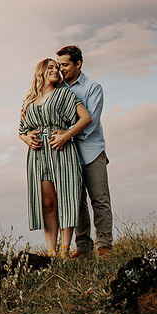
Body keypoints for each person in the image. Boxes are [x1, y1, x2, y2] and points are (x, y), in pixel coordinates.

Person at [19, 58, 91, 256]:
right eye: (50, 67)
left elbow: (86, 118)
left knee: (66, 198)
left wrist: (67, 134)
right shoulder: (29, 100)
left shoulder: (63, 94)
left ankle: (65, 249)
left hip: (61, 149)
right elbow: (21, 130)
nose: (55, 70)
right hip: (38, 154)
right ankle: (51, 250)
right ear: (40, 72)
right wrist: (26, 139)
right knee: (48, 203)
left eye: (57, 68)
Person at [57, 44, 113, 257]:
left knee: (99, 199)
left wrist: (67, 134)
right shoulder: (59, 89)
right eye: (59, 65)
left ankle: (104, 245)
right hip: (68, 155)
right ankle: (83, 248)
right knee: (76, 202)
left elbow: (91, 122)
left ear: (78, 64)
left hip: (92, 151)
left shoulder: (93, 87)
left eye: (65, 64)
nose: (61, 69)